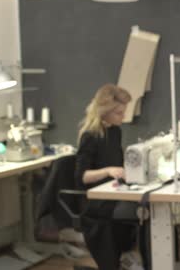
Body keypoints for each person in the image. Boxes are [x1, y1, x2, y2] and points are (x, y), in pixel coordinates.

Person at [75, 84, 143, 270]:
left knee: (144, 207)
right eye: (119, 113)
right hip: (96, 202)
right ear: (104, 112)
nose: (123, 117)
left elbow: (119, 164)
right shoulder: (90, 136)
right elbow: (82, 177)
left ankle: (135, 259)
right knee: (139, 213)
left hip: (112, 194)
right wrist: (108, 171)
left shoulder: (115, 131)